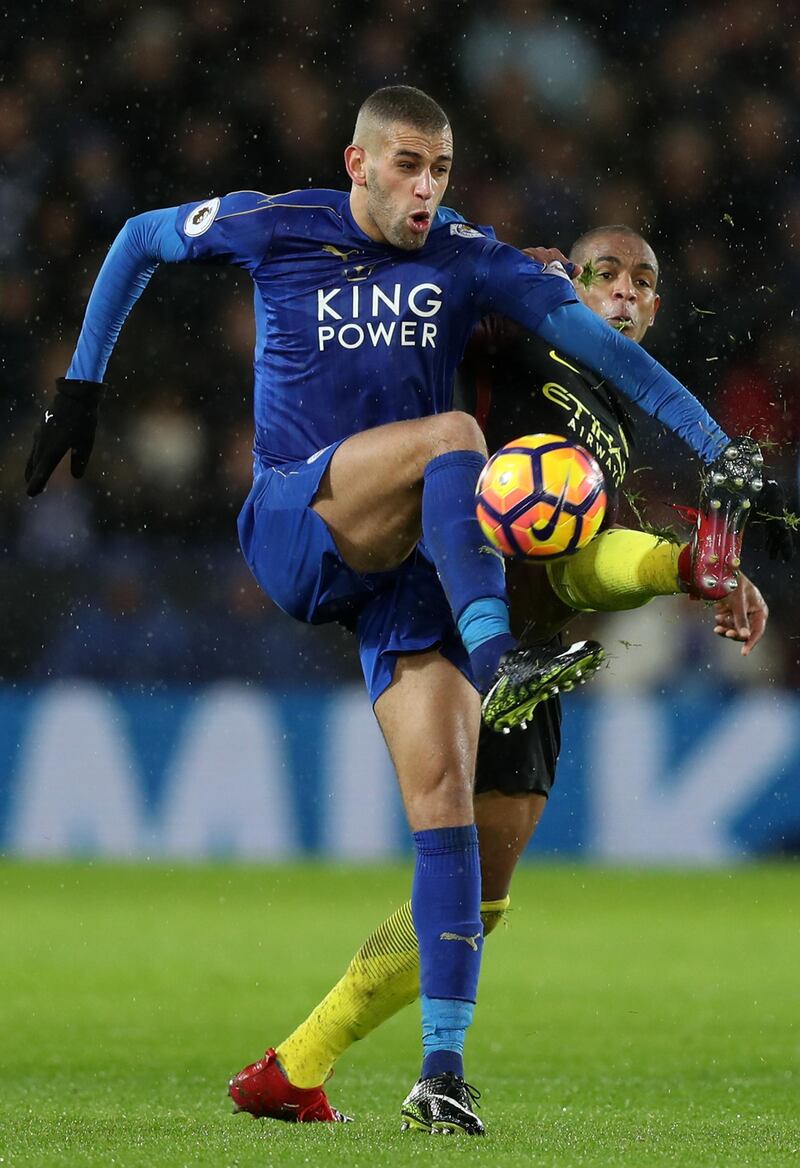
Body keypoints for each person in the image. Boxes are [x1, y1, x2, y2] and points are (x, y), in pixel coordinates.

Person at [25, 87, 763, 1135]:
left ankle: (436, 1069)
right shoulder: (278, 223)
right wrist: (81, 385)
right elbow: (140, 238)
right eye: (407, 166)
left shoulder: (465, 254)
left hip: (411, 568)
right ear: (356, 162)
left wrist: (713, 444)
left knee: (449, 812)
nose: (426, 188)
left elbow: (610, 355)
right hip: (300, 513)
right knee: (451, 433)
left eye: (442, 170)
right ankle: (498, 654)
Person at [224, 226, 775, 1127]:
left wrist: (688, 569)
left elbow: (579, 564)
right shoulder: (519, 336)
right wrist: (521, 268)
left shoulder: (615, 419)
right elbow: (442, 287)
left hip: (538, 644)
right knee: (449, 842)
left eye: (646, 280)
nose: (627, 292)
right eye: (608, 274)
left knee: (486, 898)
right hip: (448, 610)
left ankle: (294, 1068)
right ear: (573, 280)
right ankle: (429, 1074)